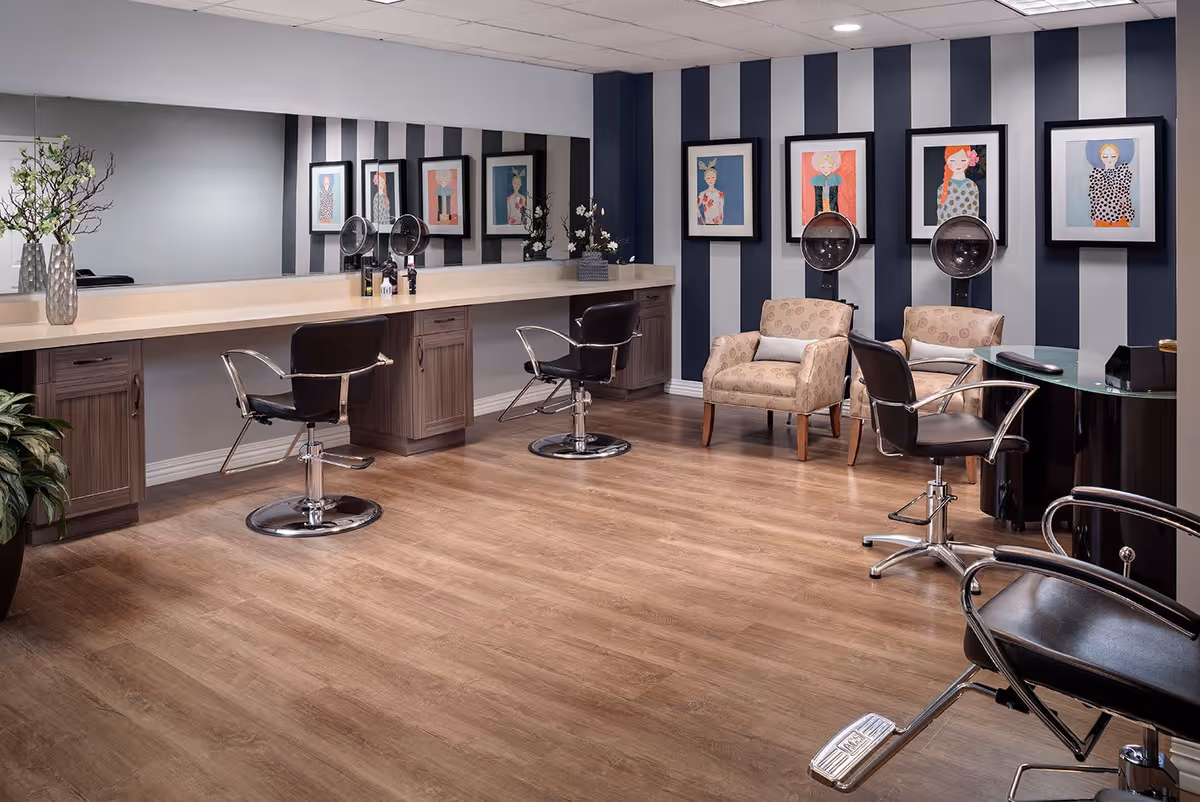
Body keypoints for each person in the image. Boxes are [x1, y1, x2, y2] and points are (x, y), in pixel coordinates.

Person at [1088, 142, 1135, 227]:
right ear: (1100, 157)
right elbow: (1093, 196)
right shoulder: (1096, 174)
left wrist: (1129, 215)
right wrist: (1093, 215)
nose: (1109, 160)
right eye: (1105, 156)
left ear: (1117, 156)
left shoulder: (1123, 172)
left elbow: (1126, 194)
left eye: (1113, 156)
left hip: (1121, 214)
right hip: (1100, 214)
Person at [936, 145, 980, 224]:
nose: (958, 164)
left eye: (963, 160)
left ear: (969, 160)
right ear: (947, 161)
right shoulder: (942, 188)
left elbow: (974, 214)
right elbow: (940, 217)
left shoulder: (972, 186)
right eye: (953, 160)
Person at [697, 159, 724, 225]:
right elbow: (694, 206)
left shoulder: (720, 194)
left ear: (716, 178)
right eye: (708, 178)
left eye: (713, 177)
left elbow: (721, 210)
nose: (710, 180)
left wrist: (720, 223)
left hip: (718, 224)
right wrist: (701, 220)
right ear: (705, 179)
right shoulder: (702, 194)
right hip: (707, 224)